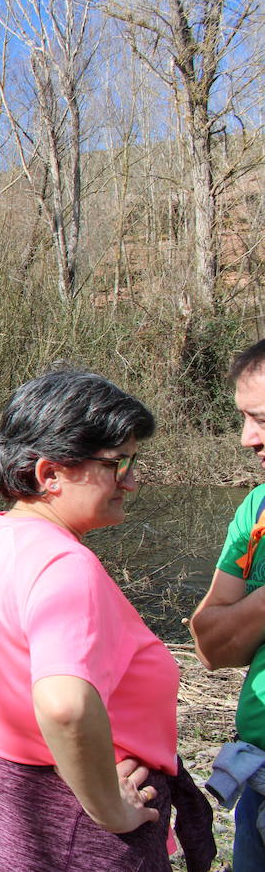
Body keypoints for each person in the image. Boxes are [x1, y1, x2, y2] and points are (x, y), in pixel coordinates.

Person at [0, 371, 213, 871]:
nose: (131, 479)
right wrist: (111, 808)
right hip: (67, 824)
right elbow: (65, 708)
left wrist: (7, 702)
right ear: (48, 474)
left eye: (132, 462)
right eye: (116, 464)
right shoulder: (65, 565)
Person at [190, 339, 265, 870]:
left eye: (260, 419)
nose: (247, 439)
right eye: (243, 418)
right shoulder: (256, 509)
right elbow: (211, 644)